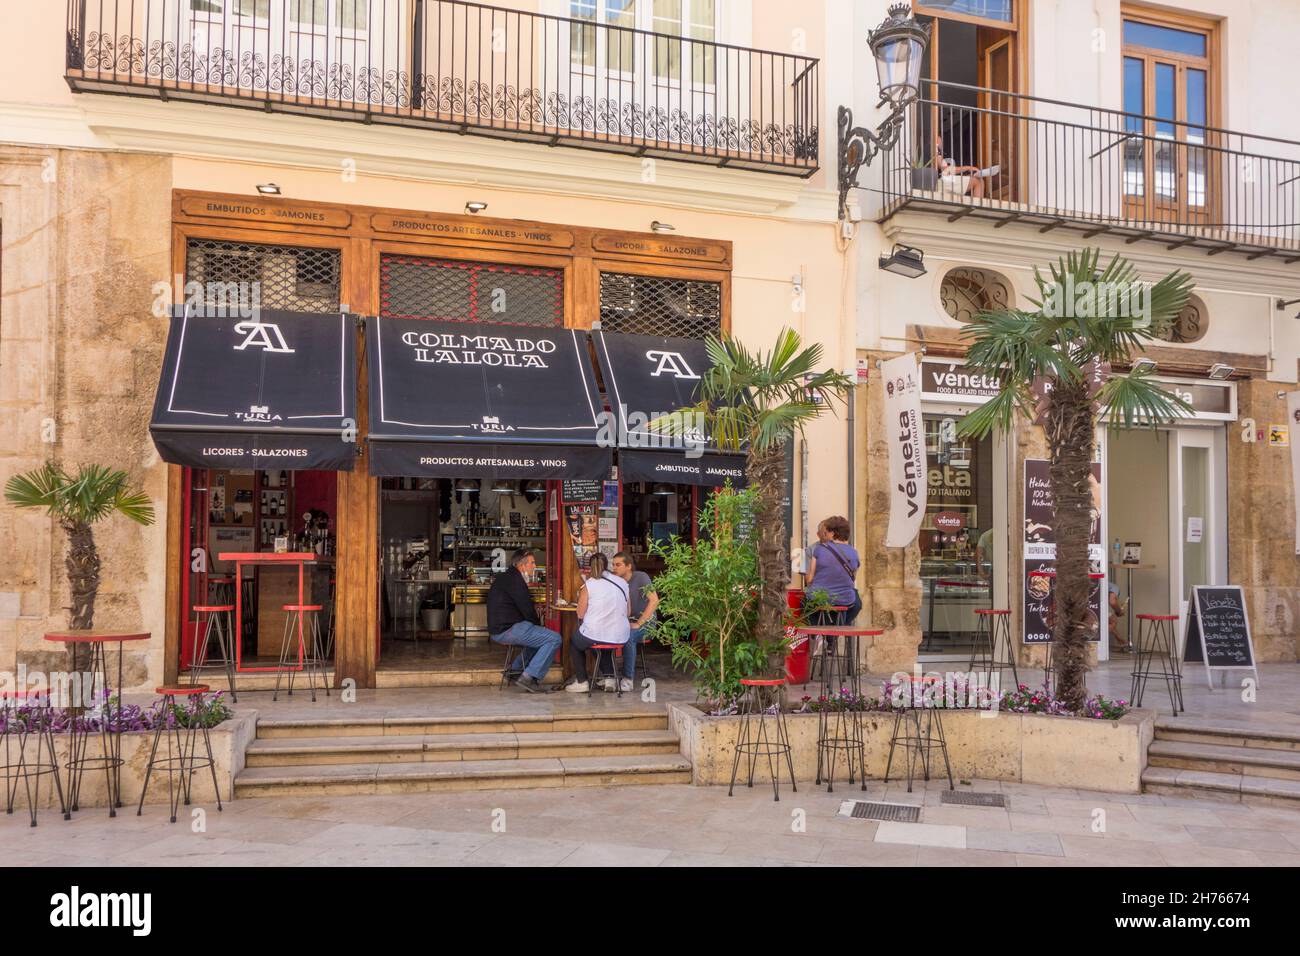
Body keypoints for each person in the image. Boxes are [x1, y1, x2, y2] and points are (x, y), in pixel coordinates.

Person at [487, 548, 562, 693]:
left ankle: (515, 671)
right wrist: (539, 627)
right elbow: (527, 608)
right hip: (508, 629)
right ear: (522, 565)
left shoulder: (507, 577)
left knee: (539, 638)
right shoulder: (516, 580)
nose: (534, 566)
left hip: (500, 628)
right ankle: (529, 677)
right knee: (554, 639)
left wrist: (538, 629)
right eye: (532, 563)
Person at [567, 552, 630, 693]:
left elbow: (580, 613)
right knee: (602, 642)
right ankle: (610, 680)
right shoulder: (622, 582)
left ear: (590, 567)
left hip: (596, 632)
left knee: (576, 642)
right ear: (607, 565)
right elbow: (628, 612)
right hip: (621, 634)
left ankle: (582, 681)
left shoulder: (589, 585)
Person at [613, 551, 659, 691]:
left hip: (646, 624)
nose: (614, 568)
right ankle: (608, 677)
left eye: (618, 565)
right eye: (613, 565)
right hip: (626, 623)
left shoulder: (641, 577)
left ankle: (628, 679)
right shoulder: (616, 581)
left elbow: (654, 600)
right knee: (602, 635)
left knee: (629, 637)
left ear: (628, 566)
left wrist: (639, 623)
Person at [805, 515, 861, 623]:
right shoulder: (854, 553)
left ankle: (815, 634)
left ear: (832, 533)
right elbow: (852, 579)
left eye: (826, 532)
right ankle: (839, 630)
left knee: (805, 603)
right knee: (853, 603)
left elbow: (809, 579)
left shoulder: (819, 549)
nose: (825, 535)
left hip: (819, 599)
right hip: (846, 600)